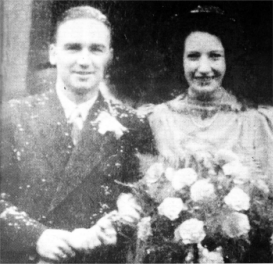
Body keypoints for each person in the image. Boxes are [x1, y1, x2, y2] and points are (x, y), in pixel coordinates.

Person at [0, 6, 154, 263]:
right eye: (73, 48)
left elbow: (143, 202)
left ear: (109, 57)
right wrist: (36, 236)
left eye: (96, 49)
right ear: (53, 54)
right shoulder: (12, 117)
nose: (84, 61)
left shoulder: (133, 124)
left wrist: (117, 226)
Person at [140, 5, 273, 263]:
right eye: (193, 56)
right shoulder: (158, 120)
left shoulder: (253, 121)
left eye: (214, 56)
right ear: (179, 59)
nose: (203, 68)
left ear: (227, 60)